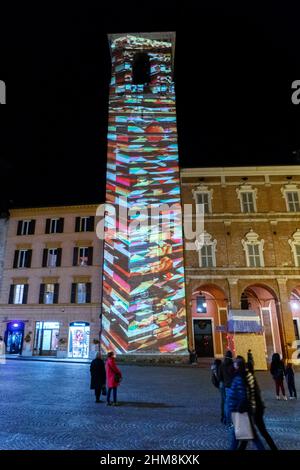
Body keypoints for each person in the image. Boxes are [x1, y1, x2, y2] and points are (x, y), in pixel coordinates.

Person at [227, 356, 265, 450]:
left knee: (245, 437)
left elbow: (243, 396)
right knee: (247, 437)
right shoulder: (242, 375)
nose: (234, 364)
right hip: (242, 411)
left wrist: (238, 409)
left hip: (240, 412)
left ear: (238, 365)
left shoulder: (239, 377)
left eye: (235, 363)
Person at [241, 364, 278, 450]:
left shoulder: (249, 379)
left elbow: (251, 396)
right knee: (257, 432)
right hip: (257, 409)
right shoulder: (251, 378)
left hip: (255, 410)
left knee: (252, 433)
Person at [219, 350, 235, 425]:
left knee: (226, 403)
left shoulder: (222, 365)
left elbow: (220, 377)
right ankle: (232, 420)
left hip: (226, 386)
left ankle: (226, 419)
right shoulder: (233, 365)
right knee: (233, 403)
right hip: (232, 386)